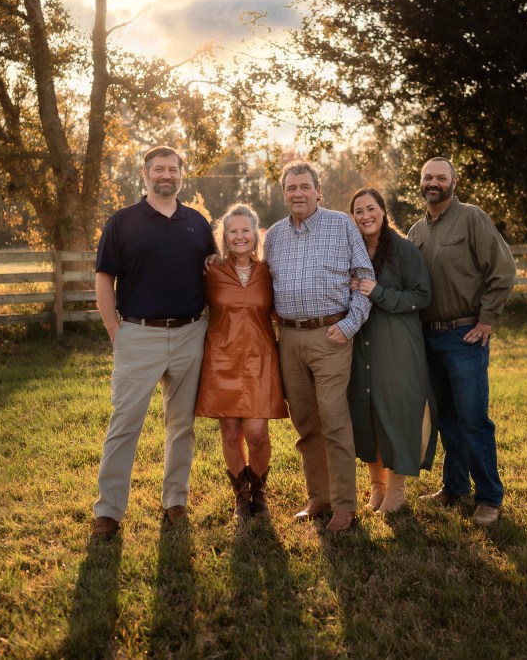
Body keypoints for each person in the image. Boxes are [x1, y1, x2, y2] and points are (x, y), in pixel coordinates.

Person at [90, 145, 216, 540]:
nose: (166, 175)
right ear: (144, 174)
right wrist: (116, 331)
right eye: (159, 169)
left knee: (182, 425)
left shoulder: (198, 223)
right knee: (124, 424)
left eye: (173, 169)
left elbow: (213, 273)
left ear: (181, 175)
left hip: (190, 333)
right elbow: (103, 279)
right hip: (138, 334)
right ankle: (108, 511)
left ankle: (175, 501)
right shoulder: (122, 222)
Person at [263, 160, 374, 533]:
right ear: (284, 193)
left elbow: (364, 276)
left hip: (331, 336)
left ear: (318, 191)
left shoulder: (341, 225)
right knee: (305, 421)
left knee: (333, 418)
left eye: (304, 187)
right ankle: (318, 498)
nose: (298, 193)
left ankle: (344, 506)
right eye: (291, 188)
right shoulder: (274, 236)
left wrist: (350, 325)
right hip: (289, 337)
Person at [407, 156, 516, 526]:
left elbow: (503, 269)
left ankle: (489, 498)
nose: (433, 183)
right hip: (428, 338)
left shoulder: (471, 217)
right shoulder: (416, 232)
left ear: (453, 182)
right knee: (447, 419)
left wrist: (487, 320)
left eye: (441, 177)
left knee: (472, 419)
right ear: (421, 182)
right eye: (428, 177)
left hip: (464, 336)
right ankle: (454, 487)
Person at [195, 203, 288, 523]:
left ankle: (259, 489)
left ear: (255, 234)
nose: (239, 236)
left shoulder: (268, 271)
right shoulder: (212, 271)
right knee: (231, 431)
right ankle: (241, 495)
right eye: (232, 231)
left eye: (245, 230)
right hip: (221, 359)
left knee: (257, 432)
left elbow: (282, 309)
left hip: (261, 360)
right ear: (223, 236)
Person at [347, 188, 438, 514]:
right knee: (366, 413)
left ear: (383, 211)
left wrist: (378, 292)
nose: (365, 216)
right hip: (363, 341)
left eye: (371, 208)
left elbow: (422, 296)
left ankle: (396, 492)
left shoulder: (403, 249)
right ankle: (378, 487)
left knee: (395, 414)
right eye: (359, 211)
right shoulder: (354, 250)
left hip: (397, 342)